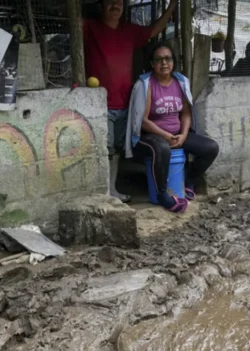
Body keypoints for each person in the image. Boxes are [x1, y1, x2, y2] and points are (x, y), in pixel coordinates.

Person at [84, 0, 179, 201]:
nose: (114, 5)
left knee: (117, 149)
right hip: (99, 104)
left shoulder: (129, 31)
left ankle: (111, 189)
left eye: (118, 2)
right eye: (109, 2)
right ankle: (102, 192)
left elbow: (154, 30)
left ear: (124, 6)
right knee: (104, 149)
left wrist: (172, 5)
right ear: (102, 6)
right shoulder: (89, 27)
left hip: (125, 104)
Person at [127, 43, 219, 213]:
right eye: (159, 59)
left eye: (168, 58)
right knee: (162, 148)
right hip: (150, 137)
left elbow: (185, 113)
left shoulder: (180, 82)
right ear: (152, 63)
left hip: (177, 134)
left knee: (210, 148)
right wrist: (166, 136)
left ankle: (189, 180)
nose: (164, 63)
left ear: (173, 61)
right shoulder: (146, 84)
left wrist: (183, 134)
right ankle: (162, 195)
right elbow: (144, 121)